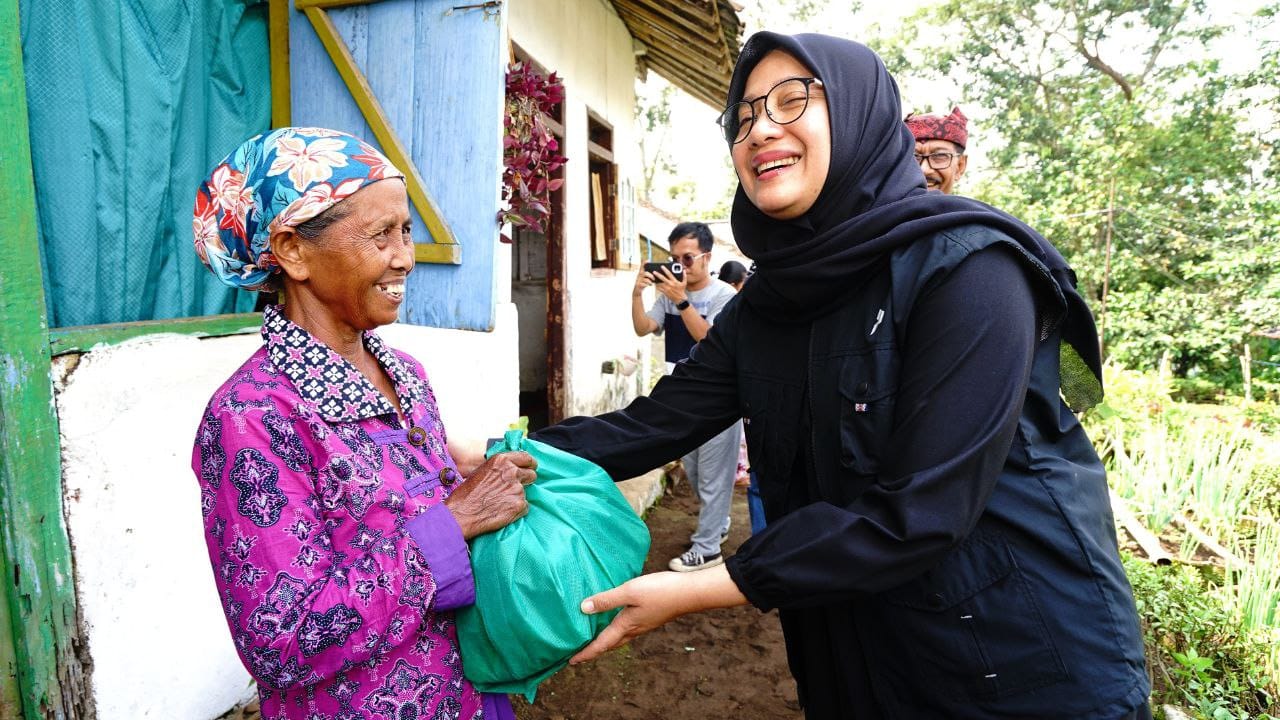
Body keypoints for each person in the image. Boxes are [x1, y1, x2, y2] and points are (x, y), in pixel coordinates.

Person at [532, 32, 1150, 719]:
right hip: (853, 649)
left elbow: (920, 511)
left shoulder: (969, 270)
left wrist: (711, 582)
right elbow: (654, 424)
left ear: (859, 117)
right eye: (742, 118)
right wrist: (513, 454)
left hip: (1015, 662)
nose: (760, 127)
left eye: (792, 100)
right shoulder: (769, 305)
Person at [190, 127, 535, 720]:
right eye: (381, 235)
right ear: (294, 251)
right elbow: (281, 642)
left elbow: (393, 508)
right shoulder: (253, 417)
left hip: (471, 695)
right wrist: (456, 520)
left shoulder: (405, 374)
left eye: (406, 231)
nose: (405, 256)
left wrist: (463, 478)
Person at [632, 222, 741, 571]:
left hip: (717, 396)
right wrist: (636, 294)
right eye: (674, 258)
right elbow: (642, 328)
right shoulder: (667, 296)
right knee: (694, 470)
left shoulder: (726, 296)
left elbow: (711, 343)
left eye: (688, 258)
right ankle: (718, 525)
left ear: (706, 257)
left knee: (714, 475)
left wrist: (682, 301)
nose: (681, 265)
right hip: (681, 396)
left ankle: (708, 548)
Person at [905, 106, 968, 194]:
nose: (924, 170)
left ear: (960, 167)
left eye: (939, 156)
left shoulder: (973, 208)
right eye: (915, 157)